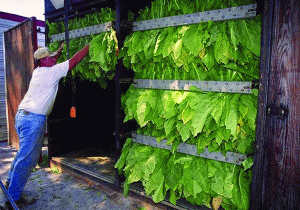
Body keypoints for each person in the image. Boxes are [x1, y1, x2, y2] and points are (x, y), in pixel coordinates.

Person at [4, 42, 89, 209]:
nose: (53, 59)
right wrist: (89, 46)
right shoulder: (52, 73)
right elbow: (75, 60)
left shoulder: (38, 71)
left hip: (22, 116)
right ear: (45, 61)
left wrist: (58, 51)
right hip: (32, 120)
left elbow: (52, 59)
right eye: (50, 57)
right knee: (28, 159)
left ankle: (9, 184)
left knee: (23, 154)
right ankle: (13, 198)